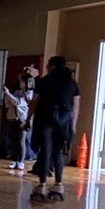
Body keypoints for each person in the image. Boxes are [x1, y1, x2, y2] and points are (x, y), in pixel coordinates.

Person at [27, 56, 80, 201]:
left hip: (45, 120)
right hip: (64, 123)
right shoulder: (72, 84)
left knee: (45, 151)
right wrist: (73, 126)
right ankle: (58, 184)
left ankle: (42, 184)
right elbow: (75, 107)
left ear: (53, 67)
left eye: (48, 65)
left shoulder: (44, 82)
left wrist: (28, 119)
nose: (46, 68)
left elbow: (34, 102)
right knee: (58, 153)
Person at [2, 74, 31, 172]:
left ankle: (21, 161)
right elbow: (8, 104)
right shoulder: (17, 91)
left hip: (22, 119)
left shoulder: (29, 93)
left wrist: (8, 94)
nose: (19, 83)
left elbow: (18, 102)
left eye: (21, 82)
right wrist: (6, 95)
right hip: (12, 118)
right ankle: (14, 160)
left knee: (21, 141)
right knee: (13, 141)